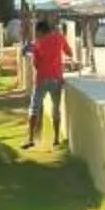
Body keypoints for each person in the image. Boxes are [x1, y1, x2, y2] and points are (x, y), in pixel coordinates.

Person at [24, 17, 73, 149]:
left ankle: (30, 138)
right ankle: (56, 139)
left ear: (40, 31)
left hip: (41, 78)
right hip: (56, 78)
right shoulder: (59, 37)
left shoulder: (37, 43)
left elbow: (35, 64)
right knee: (56, 109)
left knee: (34, 108)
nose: (36, 35)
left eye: (36, 32)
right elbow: (69, 53)